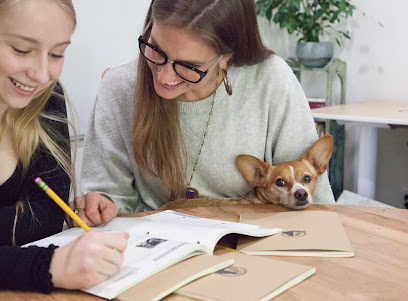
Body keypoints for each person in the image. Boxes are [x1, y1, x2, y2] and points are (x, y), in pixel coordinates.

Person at [71, 0, 335, 225]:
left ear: (227, 56)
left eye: (188, 66)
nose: (164, 77)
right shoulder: (120, 86)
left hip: (256, 245)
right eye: (155, 50)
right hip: (153, 246)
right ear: (150, 26)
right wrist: (98, 208)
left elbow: (315, 204)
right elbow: (109, 200)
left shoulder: (271, 80)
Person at [0, 0, 128, 293]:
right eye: (21, 50)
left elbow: (49, 214)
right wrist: (45, 266)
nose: (42, 74)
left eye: (57, 53)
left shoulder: (46, 98)